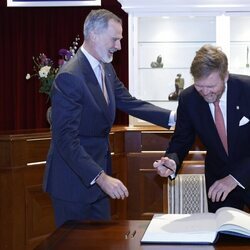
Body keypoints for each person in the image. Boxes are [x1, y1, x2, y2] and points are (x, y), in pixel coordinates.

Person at [43, 9, 176, 227]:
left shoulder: (106, 68)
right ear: (94, 34)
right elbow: (65, 140)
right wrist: (101, 178)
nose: (119, 46)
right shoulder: (70, 76)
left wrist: (172, 117)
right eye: (115, 39)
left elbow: (128, 102)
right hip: (73, 184)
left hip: (98, 182)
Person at [154, 44, 250, 213]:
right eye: (200, 86)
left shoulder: (247, 90)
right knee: (224, 236)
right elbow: (181, 139)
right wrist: (172, 161)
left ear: (225, 76)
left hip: (245, 170)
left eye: (211, 86)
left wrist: (235, 177)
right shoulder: (188, 99)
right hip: (219, 185)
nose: (205, 92)